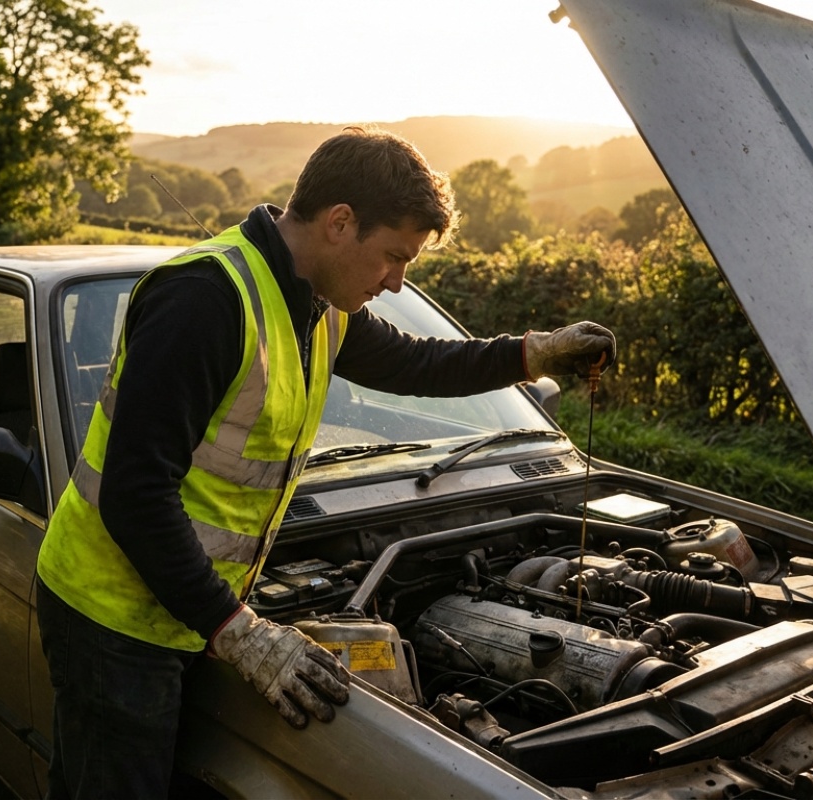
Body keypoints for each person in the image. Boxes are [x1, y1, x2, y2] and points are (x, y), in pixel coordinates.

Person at [34, 125, 615, 799]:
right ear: (340, 223)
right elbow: (135, 494)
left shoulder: (317, 301)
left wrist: (531, 353)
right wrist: (241, 634)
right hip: (113, 615)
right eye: (394, 258)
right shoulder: (204, 301)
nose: (397, 283)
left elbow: (413, 360)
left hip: (185, 606)